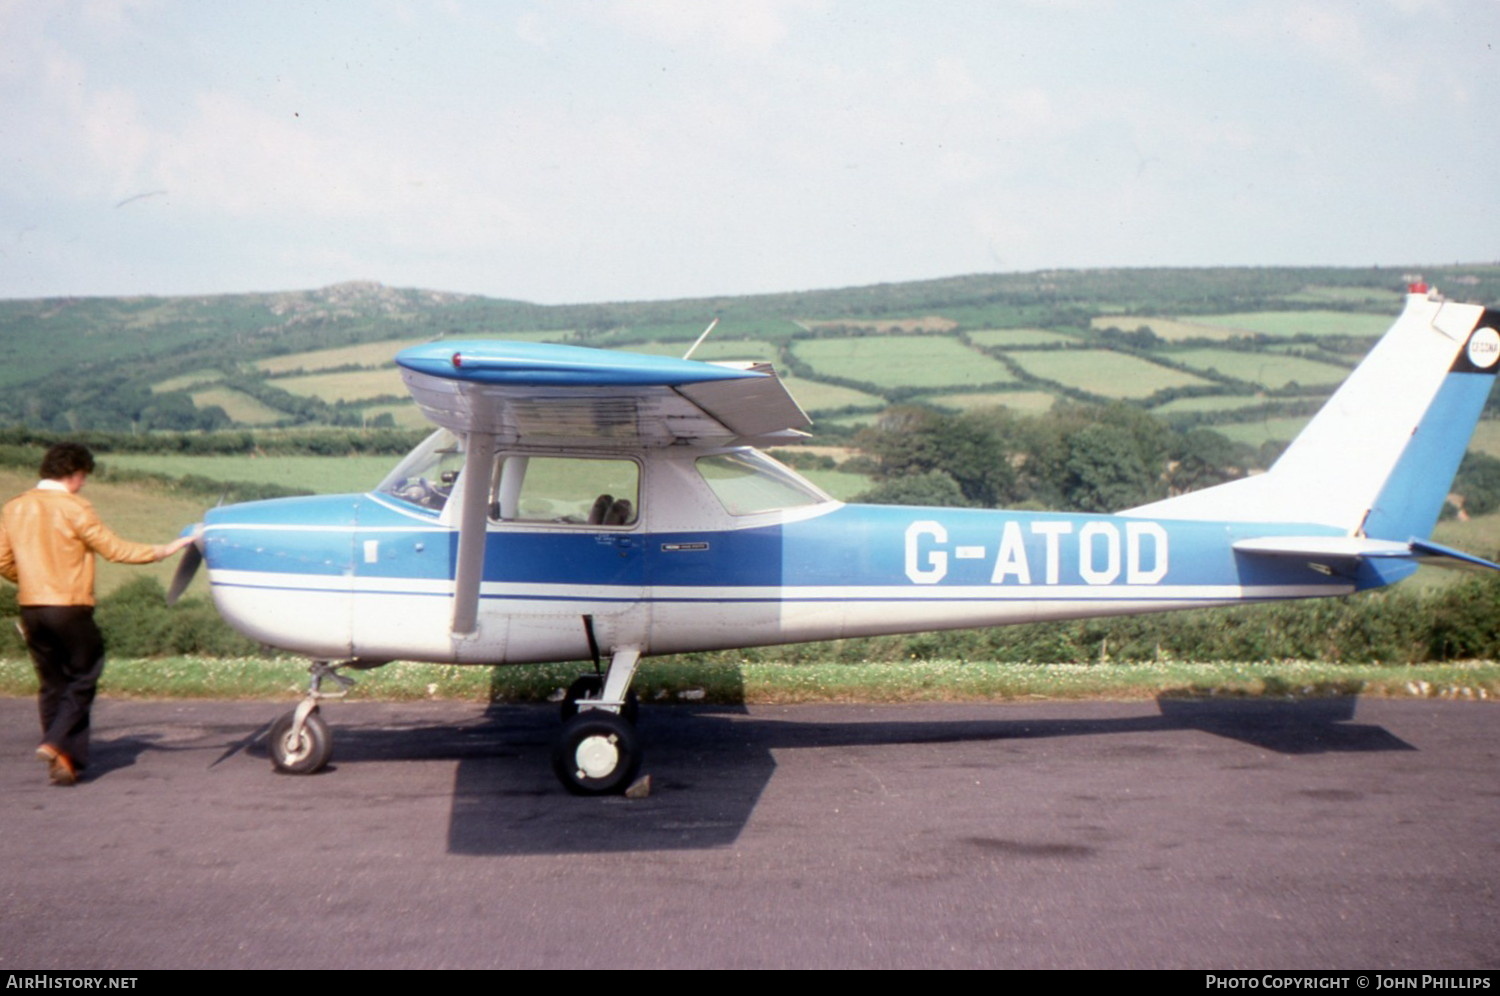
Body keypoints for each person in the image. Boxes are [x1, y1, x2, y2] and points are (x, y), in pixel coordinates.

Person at [0, 443, 193, 785]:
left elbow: (2, 560)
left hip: (31, 607)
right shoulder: (75, 508)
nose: (84, 484)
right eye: (83, 477)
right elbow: (114, 549)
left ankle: (64, 762)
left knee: (52, 683)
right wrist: (164, 550)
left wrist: (32, 579)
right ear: (74, 474)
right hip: (69, 607)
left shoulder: (14, 506)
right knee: (85, 674)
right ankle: (56, 742)